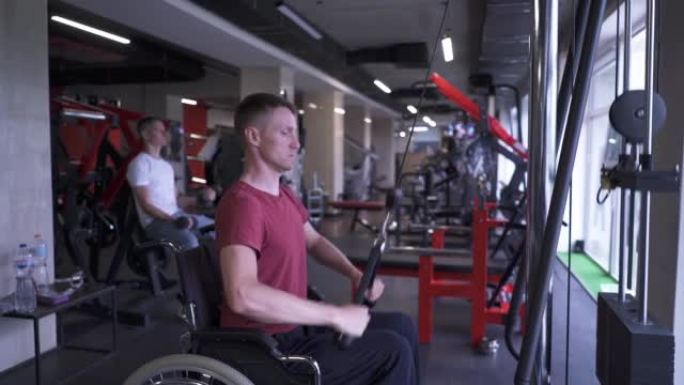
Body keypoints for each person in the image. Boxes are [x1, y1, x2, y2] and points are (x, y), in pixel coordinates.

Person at [216, 93, 419, 385]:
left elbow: (313, 241)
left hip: (298, 329)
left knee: (402, 325)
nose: (296, 144)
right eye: (285, 132)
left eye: (296, 134)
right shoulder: (243, 204)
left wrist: (353, 273)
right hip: (267, 347)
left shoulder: (284, 194)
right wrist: (335, 315)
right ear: (254, 136)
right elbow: (242, 294)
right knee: (392, 351)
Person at [126, 116, 216, 251]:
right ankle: (193, 271)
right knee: (189, 241)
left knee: (218, 229)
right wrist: (172, 220)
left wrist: (200, 198)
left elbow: (177, 200)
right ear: (145, 134)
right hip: (155, 222)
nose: (165, 133)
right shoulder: (140, 164)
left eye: (165, 130)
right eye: (160, 130)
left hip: (176, 215)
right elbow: (146, 205)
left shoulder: (166, 166)